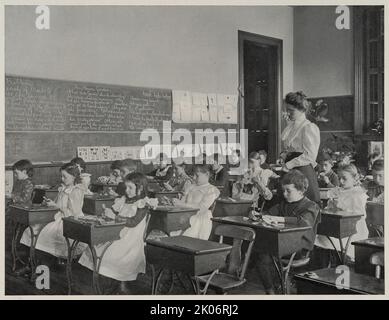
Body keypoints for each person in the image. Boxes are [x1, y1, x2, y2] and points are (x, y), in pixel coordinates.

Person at [78, 172, 158, 294]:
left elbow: (133, 222)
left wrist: (115, 218)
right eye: (126, 187)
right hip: (118, 233)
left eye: (131, 188)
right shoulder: (124, 200)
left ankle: (121, 283)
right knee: (95, 248)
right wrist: (109, 213)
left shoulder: (143, 203)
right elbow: (116, 215)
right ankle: (114, 282)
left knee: (110, 253)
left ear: (140, 188)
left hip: (130, 239)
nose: (127, 191)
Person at [257, 170, 320, 294]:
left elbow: (304, 223)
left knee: (265, 258)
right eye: (283, 190)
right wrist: (259, 215)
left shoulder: (311, 206)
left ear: (301, 191)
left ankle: (275, 290)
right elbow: (269, 214)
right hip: (283, 244)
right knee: (260, 255)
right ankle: (271, 291)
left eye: (288, 191)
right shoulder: (283, 204)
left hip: (300, 247)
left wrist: (279, 219)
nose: (285, 194)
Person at [20, 163, 86, 264]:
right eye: (61, 176)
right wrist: (50, 203)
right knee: (31, 230)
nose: (62, 179)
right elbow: (58, 204)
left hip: (70, 220)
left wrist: (56, 206)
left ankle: (40, 262)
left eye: (65, 176)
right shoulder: (63, 188)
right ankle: (33, 262)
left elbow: (74, 212)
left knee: (45, 235)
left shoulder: (76, 191)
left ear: (74, 177)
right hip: (58, 216)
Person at [315, 164, 369, 262]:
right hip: (337, 225)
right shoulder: (338, 191)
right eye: (339, 178)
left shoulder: (358, 194)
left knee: (328, 239)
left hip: (353, 229)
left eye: (344, 178)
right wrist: (331, 207)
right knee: (321, 236)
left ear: (354, 178)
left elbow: (359, 216)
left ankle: (335, 260)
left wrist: (340, 207)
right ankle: (326, 262)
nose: (341, 181)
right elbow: (328, 209)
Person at [279, 91, 321, 204]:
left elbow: (310, 156)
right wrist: (284, 155)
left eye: (291, 110)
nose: (288, 113)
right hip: (289, 169)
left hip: (302, 170)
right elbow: (290, 148)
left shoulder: (309, 127)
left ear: (302, 110)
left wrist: (289, 164)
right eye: (287, 109)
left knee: (303, 203)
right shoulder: (290, 126)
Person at [172, 164, 220, 240]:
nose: (194, 178)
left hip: (200, 219)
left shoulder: (211, 190)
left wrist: (182, 204)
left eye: (197, 175)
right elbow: (182, 202)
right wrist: (175, 203)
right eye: (193, 175)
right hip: (185, 216)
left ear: (207, 174)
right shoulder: (191, 187)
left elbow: (202, 208)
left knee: (184, 238)